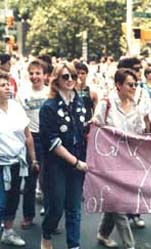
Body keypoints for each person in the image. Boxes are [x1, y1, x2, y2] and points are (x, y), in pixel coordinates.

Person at [93, 68, 150, 249]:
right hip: (110, 161)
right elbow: (96, 129)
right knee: (120, 202)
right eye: (129, 84)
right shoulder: (106, 104)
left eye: (135, 84)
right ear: (118, 85)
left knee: (116, 201)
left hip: (131, 160)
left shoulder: (137, 107)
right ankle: (130, 245)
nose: (134, 88)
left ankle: (103, 234)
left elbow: (140, 132)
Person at [39, 63, 89, 249]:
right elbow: (53, 142)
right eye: (65, 76)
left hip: (78, 162)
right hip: (57, 165)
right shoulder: (48, 107)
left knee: (74, 209)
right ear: (56, 80)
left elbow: (83, 131)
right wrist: (75, 162)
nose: (70, 80)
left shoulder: (80, 102)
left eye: (73, 77)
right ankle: (46, 234)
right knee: (56, 208)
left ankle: (73, 245)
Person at [0, 73, 37, 247]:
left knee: (13, 198)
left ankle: (8, 232)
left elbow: (27, 135)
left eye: (8, 84)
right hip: (0, 164)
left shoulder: (15, 107)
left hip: (16, 161)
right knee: (1, 202)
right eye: (2, 85)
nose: (7, 87)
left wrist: (33, 159)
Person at [118, 57, 151, 227]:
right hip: (119, 145)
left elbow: (146, 117)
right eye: (136, 69)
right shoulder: (113, 96)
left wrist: (148, 137)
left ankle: (136, 212)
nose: (140, 72)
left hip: (137, 142)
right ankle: (123, 211)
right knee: (123, 179)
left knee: (138, 178)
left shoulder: (143, 93)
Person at [16, 59, 49, 229]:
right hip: (31, 138)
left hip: (49, 138)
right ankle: (28, 216)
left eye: (38, 73)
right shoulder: (22, 94)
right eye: (32, 73)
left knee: (50, 180)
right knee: (30, 180)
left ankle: (52, 218)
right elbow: (20, 119)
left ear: (45, 75)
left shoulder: (51, 92)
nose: (35, 76)